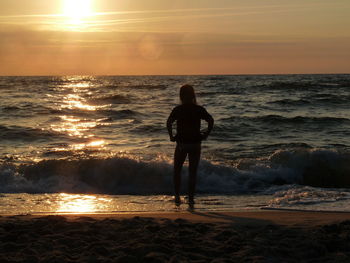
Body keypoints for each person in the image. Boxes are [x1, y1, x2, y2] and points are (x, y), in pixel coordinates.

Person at [167, 84, 214, 206]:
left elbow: (169, 122)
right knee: (192, 172)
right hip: (195, 143)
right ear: (193, 95)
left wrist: (171, 136)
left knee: (177, 170)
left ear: (181, 96)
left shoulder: (178, 109)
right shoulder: (198, 109)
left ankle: (177, 196)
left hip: (182, 143)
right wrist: (206, 134)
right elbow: (210, 120)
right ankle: (191, 198)